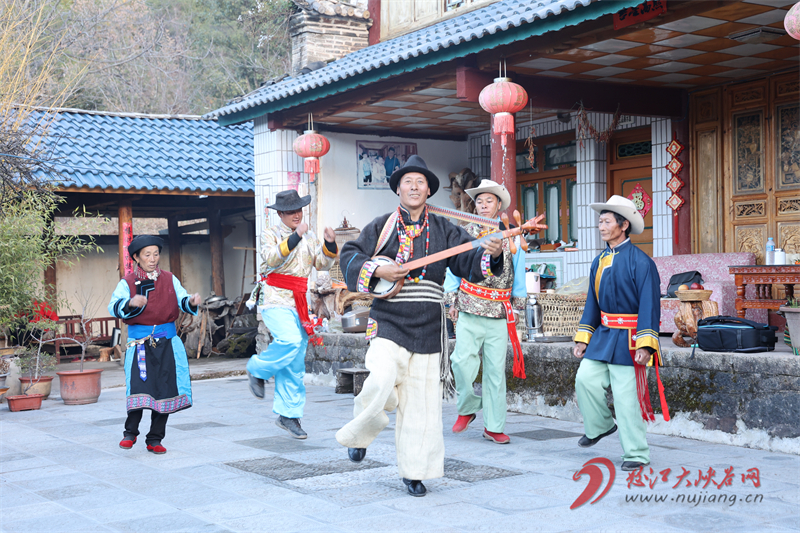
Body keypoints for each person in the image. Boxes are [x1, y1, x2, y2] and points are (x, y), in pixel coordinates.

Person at [336, 155, 505, 497]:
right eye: (408, 182)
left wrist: (493, 252)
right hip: (389, 319)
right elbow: (349, 255)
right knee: (380, 379)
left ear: (429, 190)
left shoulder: (445, 229)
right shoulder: (382, 226)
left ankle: (415, 471)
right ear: (398, 188)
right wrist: (378, 270)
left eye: (420, 182)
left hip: (428, 324)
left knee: (421, 405)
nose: (414, 187)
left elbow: (469, 262)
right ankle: (360, 434)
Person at [572, 195, 669, 472]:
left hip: (630, 338)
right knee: (584, 380)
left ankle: (636, 453)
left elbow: (650, 305)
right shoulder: (599, 261)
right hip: (603, 335)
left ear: (623, 225)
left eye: (607, 222)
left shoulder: (642, 262)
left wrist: (646, 345)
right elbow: (592, 302)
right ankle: (600, 426)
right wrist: (583, 337)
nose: (601, 227)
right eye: (600, 222)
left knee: (627, 400)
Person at [245, 190, 337, 439]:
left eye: (299, 210)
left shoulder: (310, 236)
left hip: (300, 302)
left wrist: (329, 244)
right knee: (290, 341)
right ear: (281, 214)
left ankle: (289, 414)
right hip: (275, 299)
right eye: (291, 211)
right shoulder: (269, 234)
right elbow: (272, 258)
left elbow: (321, 264)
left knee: (294, 362)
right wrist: (296, 237)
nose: (297, 215)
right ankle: (257, 368)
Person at [444, 179, 527, 445]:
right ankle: (467, 407)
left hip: (500, 311)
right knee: (461, 361)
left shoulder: (512, 234)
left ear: (499, 205)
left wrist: (519, 305)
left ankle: (494, 426)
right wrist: (451, 301)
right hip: (469, 306)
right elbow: (453, 269)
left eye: (489, 200)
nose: (483, 205)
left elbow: (519, 271)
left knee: (495, 372)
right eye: (479, 201)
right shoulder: (464, 232)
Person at [109, 235, 200, 454]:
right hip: (139, 345)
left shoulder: (169, 279)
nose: (152, 259)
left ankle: (155, 439)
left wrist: (191, 301)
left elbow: (182, 299)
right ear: (136, 257)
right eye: (147, 255)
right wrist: (130, 302)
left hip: (167, 343)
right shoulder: (127, 282)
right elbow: (114, 306)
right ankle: (130, 433)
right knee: (138, 387)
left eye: (156, 254)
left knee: (165, 389)